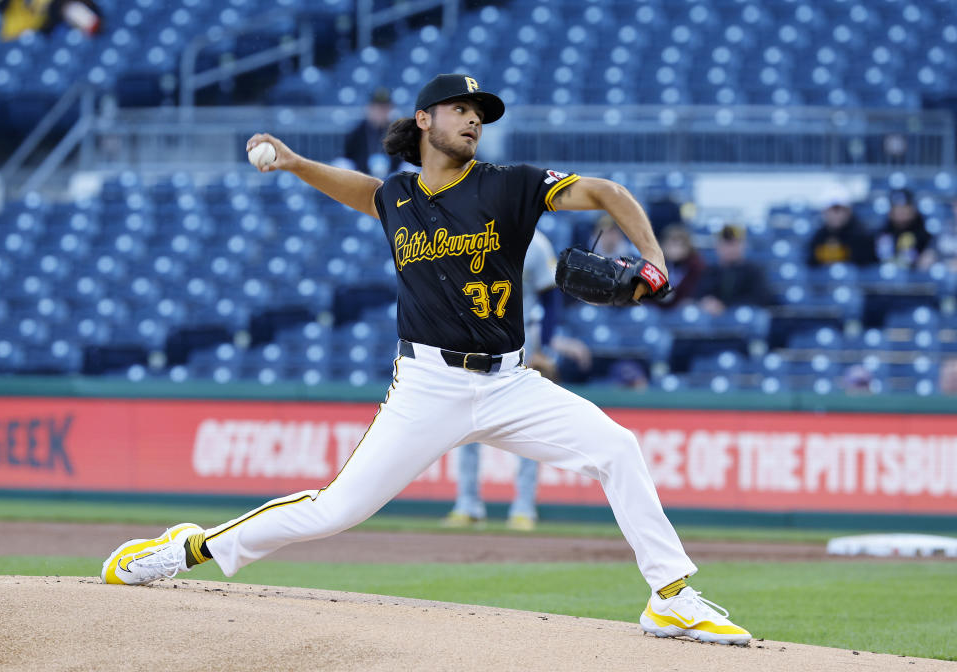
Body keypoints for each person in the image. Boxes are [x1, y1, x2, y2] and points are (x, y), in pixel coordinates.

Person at [101, 73, 751, 646]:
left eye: (480, 112)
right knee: (333, 512)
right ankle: (188, 548)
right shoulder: (399, 198)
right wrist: (298, 163)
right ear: (423, 120)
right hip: (427, 386)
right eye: (459, 107)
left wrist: (655, 259)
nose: (473, 118)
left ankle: (670, 599)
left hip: (510, 383)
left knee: (618, 448)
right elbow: (365, 192)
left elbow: (608, 192)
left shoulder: (510, 187)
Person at [444, 229, 558, 532]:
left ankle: (524, 507)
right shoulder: (466, 236)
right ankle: (467, 504)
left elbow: (551, 298)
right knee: (466, 425)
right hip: (472, 342)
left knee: (527, 427)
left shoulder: (535, 242)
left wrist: (544, 346)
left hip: (521, 345)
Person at [695, 224, 771, 316]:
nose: (730, 249)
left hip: (744, 317)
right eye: (726, 244)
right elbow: (698, 294)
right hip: (714, 318)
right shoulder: (710, 271)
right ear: (718, 247)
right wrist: (706, 301)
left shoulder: (754, 270)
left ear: (743, 246)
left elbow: (761, 298)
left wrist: (725, 306)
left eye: (734, 244)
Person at [806, 185, 876, 267]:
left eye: (839, 210)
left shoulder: (862, 236)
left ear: (848, 211)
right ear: (824, 212)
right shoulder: (818, 237)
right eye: (832, 210)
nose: (836, 215)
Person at [342, 87, 403, 178]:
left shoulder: (397, 132)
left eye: (385, 108)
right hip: (361, 179)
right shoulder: (358, 131)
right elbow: (346, 156)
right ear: (369, 108)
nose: (381, 112)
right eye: (377, 108)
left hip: (392, 181)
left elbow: (403, 160)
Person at [874, 188, 935, 270]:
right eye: (897, 208)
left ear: (913, 209)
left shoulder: (924, 233)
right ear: (891, 211)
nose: (901, 212)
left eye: (905, 208)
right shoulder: (883, 232)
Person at [655, 224, 705, 309]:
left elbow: (694, 293)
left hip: (683, 307)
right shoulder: (656, 264)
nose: (674, 250)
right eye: (671, 245)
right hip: (657, 307)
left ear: (687, 247)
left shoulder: (696, 267)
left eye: (679, 245)